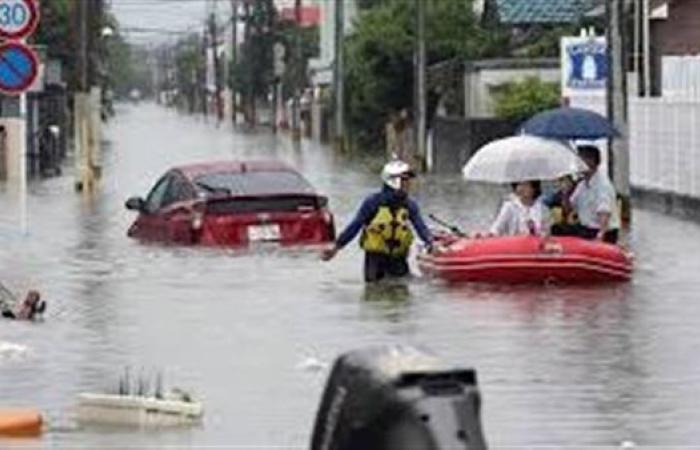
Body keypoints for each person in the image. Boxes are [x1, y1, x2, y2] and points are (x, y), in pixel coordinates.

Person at [321, 159, 434, 282]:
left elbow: (421, 228)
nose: (409, 184)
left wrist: (431, 243)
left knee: (402, 293)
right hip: (375, 262)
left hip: (399, 261)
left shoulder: (409, 205)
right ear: (393, 181)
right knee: (375, 294)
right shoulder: (373, 203)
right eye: (404, 180)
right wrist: (337, 247)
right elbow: (354, 226)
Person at [567, 145, 621, 244]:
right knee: (558, 229)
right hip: (586, 228)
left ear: (591, 161)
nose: (578, 164)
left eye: (581, 160)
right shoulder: (582, 185)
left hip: (601, 231)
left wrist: (600, 235)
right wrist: (565, 192)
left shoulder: (602, 185)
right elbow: (571, 205)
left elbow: (604, 212)